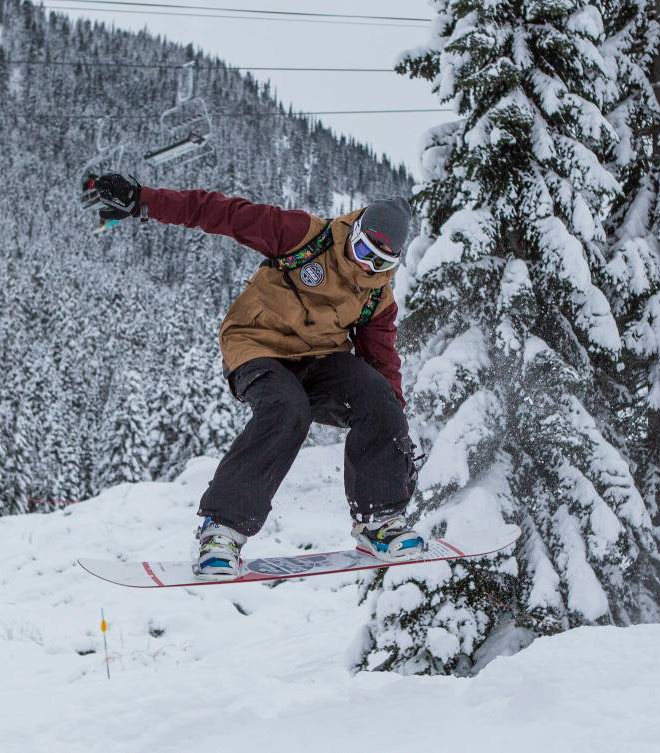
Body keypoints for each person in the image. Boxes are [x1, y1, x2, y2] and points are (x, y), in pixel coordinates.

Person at [89, 174, 425, 579]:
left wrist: (397, 432)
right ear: (351, 231)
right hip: (258, 345)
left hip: (320, 357)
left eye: (380, 262)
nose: (364, 265)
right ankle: (222, 530)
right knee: (287, 410)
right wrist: (144, 200)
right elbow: (221, 212)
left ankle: (379, 521)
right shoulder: (305, 236)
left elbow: (383, 363)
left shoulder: (377, 297)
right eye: (361, 250)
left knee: (379, 397)